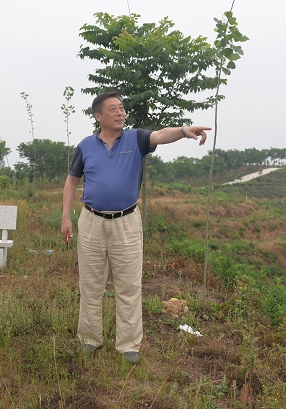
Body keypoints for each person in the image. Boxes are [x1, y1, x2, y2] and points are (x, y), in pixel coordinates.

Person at [61, 92, 211, 364]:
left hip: (126, 221)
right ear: (98, 116)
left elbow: (160, 135)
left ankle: (129, 344)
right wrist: (66, 218)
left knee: (129, 285)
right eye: (113, 109)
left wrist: (182, 131)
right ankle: (89, 339)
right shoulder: (86, 146)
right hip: (91, 221)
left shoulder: (136, 138)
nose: (120, 112)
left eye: (122, 108)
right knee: (90, 284)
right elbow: (72, 180)